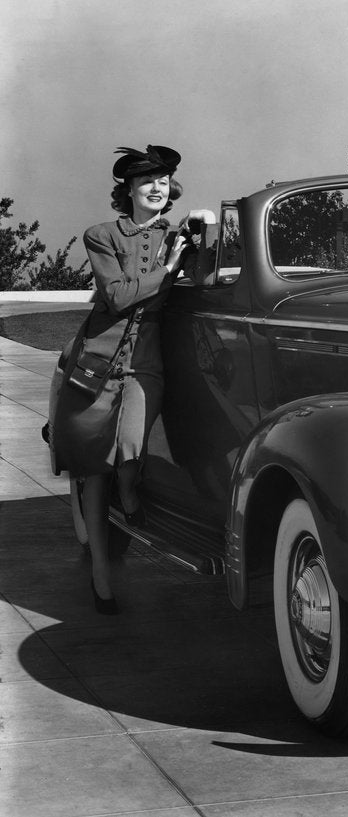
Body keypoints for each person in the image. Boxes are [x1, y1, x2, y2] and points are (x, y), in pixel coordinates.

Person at [49, 145, 215, 613]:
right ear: (128, 190)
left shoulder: (180, 234)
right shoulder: (100, 234)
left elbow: (203, 278)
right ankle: (102, 571)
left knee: (130, 451)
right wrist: (166, 268)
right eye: (147, 181)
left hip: (145, 363)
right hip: (95, 362)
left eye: (163, 180)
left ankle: (130, 486)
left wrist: (201, 236)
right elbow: (119, 296)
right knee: (93, 472)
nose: (157, 187)